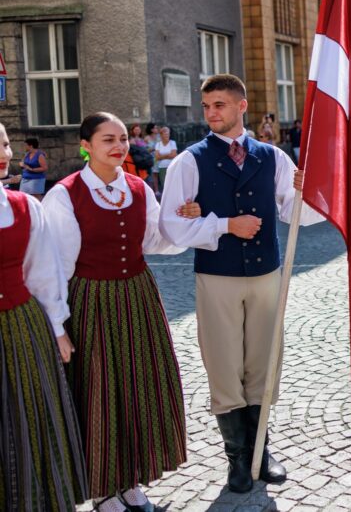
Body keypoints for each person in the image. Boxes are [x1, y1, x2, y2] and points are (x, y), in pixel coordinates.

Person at [158, 75, 323, 493]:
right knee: (224, 365)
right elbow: (172, 228)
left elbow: (295, 213)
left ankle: (260, 452)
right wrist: (225, 224)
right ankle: (235, 457)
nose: (211, 113)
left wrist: (312, 191)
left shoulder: (273, 157)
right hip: (217, 277)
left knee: (264, 364)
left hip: (267, 274)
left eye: (219, 105)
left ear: (242, 106)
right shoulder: (189, 161)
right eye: (207, 106)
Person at [42, 113, 197, 512]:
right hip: (92, 301)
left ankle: (132, 481)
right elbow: (58, 265)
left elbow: (154, 241)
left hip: (139, 297)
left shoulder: (137, 188)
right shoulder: (66, 194)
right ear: (86, 145)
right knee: (100, 392)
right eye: (108, 139)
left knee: (139, 387)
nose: (119, 145)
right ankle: (104, 489)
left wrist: (182, 219)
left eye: (124, 138)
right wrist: (58, 324)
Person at [0, 121, 88, 511]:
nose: (4, 153)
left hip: (21, 328)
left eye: (4, 143)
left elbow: (44, 272)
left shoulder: (24, 206)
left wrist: (57, 328)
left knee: (27, 420)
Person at [153, 126, 178, 192]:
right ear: (161, 135)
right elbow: (157, 157)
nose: (168, 135)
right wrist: (168, 155)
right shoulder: (158, 144)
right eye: (166, 134)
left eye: (168, 134)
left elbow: (174, 155)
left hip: (172, 166)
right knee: (165, 185)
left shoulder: (172, 143)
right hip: (162, 167)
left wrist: (162, 156)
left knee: (174, 184)